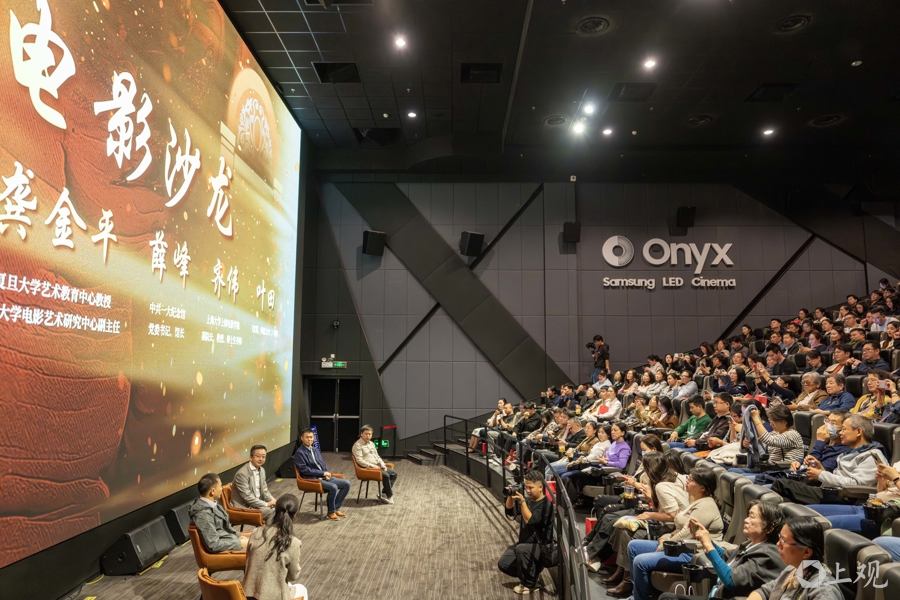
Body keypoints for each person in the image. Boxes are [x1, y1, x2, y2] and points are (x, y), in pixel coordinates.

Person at [615, 467, 724, 599]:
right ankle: (636, 594)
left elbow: (686, 534)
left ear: (702, 488)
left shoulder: (705, 506)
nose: (687, 481)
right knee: (634, 546)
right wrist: (665, 537)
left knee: (640, 561)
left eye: (691, 480)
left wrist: (664, 544)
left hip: (692, 552)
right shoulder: (694, 501)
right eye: (688, 478)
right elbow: (679, 528)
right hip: (677, 546)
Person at [658, 502, 786, 600]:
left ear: (769, 527)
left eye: (752, 517)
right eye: (748, 515)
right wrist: (705, 539)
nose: (746, 520)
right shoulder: (751, 544)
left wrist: (709, 546)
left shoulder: (767, 555)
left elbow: (731, 581)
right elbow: (725, 556)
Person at [771, 414, 888, 504]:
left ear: (858, 432)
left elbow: (855, 485)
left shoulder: (872, 455)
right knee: (785, 500)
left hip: (846, 498)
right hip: (832, 491)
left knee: (781, 484)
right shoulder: (850, 452)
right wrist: (821, 469)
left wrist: (821, 474)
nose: (840, 433)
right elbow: (840, 477)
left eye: (843, 429)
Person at [745, 517, 844, 600]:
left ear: (806, 552)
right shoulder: (792, 569)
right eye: (780, 538)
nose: (778, 544)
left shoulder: (823, 592)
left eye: (784, 541)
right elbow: (764, 591)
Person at [805, 458, 900, 533]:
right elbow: (882, 491)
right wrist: (881, 480)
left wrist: (895, 478)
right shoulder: (898, 463)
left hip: (884, 515)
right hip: (869, 506)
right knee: (806, 512)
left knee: (816, 524)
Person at [497, 470, 553, 595]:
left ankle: (531, 584)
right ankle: (531, 574)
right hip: (524, 544)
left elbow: (530, 521)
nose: (527, 490)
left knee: (521, 549)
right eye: (526, 487)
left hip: (541, 548)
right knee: (503, 563)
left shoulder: (546, 505)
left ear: (540, 487)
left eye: (531, 487)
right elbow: (510, 512)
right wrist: (510, 496)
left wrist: (522, 502)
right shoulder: (528, 501)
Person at [242, 494, 307, 600]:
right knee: (302, 589)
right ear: (295, 514)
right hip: (274, 596)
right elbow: (293, 576)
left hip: (248, 594)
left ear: (275, 510)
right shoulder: (293, 542)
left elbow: (248, 562)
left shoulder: (255, 533)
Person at [293, 428, 351, 520]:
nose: (309, 439)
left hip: (322, 477)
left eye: (311, 437)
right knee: (333, 487)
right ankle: (330, 512)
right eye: (307, 437)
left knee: (346, 484)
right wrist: (323, 473)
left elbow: (322, 464)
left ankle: (336, 508)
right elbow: (305, 470)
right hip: (311, 479)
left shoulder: (315, 449)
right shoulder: (299, 452)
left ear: (314, 438)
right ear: (302, 438)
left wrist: (327, 473)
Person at [189, 472, 248, 552]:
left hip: (230, 540)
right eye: (220, 486)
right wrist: (239, 543)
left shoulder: (213, 504)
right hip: (226, 548)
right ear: (212, 491)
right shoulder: (203, 514)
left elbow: (226, 527)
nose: (222, 488)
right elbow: (213, 544)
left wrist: (239, 536)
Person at [352, 425, 398, 504]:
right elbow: (359, 460)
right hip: (367, 468)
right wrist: (372, 466)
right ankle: (389, 496)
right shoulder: (357, 445)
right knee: (386, 475)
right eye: (366, 434)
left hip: (377, 465)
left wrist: (382, 464)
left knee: (393, 474)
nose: (368, 436)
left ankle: (383, 494)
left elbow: (377, 456)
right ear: (361, 434)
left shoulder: (371, 443)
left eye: (369, 434)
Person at [232, 445, 278, 523]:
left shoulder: (262, 470)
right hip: (245, 507)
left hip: (258, 504)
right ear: (251, 457)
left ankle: (280, 530)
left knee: (283, 508)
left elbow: (265, 491)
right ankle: (268, 530)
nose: (261, 459)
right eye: (258, 456)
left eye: (263, 456)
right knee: (274, 512)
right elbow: (247, 497)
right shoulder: (242, 474)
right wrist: (266, 504)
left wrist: (274, 501)